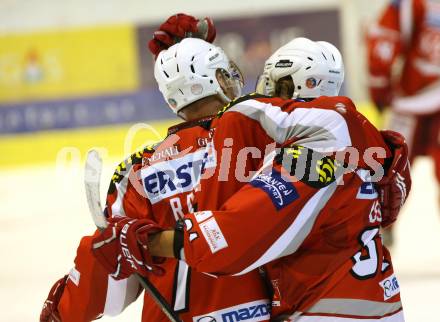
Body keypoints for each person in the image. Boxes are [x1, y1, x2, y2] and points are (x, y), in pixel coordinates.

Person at [92, 37, 411, 321]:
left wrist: (146, 242)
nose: (259, 93)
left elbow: (229, 237)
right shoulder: (358, 143)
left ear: (288, 88)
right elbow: (392, 185)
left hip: (327, 309)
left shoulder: (306, 158)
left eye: (271, 84)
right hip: (380, 302)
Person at [40, 14, 272, 322]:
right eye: (224, 74)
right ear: (215, 80)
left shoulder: (135, 173)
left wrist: (59, 310)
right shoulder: (259, 140)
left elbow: (114, 283)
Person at [366, 0, 440, 244]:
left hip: (410, 99)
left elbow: (382, 44)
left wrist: (380, 90)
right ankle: (377, 229)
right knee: (391, 169)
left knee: (391, 169)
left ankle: (374, 232)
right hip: (411, 101)